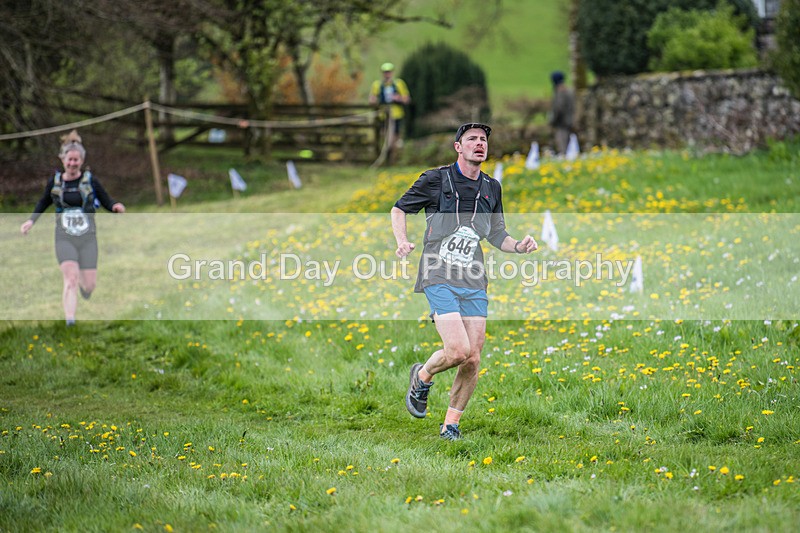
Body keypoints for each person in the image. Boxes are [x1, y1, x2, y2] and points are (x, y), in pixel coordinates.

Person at [391, 123, 539, 440]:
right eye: (471, 139)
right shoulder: (435, 179)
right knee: (458, 350)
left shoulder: (492, 187)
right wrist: (401, 240)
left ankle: (451, 425)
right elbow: (399, 208)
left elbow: (498, 234)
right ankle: (422, 374)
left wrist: (519, 246)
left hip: (473, 278)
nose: (479, 144)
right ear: (458, 147)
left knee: (473, 357)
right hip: (438, 273)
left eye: (483, 139)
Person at [20, 130, 125, 326]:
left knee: (89, 284)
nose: (72, 163)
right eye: (69, 160)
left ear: (82, 160)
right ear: (63, 159)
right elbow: (43, 202)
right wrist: (31, 221)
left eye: (76, 160)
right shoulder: (55, 182)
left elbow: (106, 200)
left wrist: (115, 207)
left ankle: (86, 291)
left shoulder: (90, 181)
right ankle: (70, 320)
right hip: (64, 237)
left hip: (88, 238)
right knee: (71, 278)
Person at [369, 62, 411, 160]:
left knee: (395, 138)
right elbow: (372, 98)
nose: (387, 74)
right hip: (382, 115)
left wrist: (398, 98)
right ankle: (385, 156)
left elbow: (407, 99)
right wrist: (374, 100)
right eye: (385, 72)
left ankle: (393, 157)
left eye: (389, 72)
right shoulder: (377, 85)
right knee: (384, 136)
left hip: (396, 115)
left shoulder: (399, 84)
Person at [549, 70, 575, 155]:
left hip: (562, 124)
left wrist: (552, 120)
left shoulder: (560, 92)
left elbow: (558, 108)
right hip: (572, 122)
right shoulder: (571, 91)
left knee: (563, 148)